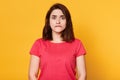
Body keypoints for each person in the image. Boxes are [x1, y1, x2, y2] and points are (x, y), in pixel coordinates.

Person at [28, 3, 86, 80]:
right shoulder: (38, 44)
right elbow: (32, 75)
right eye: (54, 17)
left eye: (62, 18)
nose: (58, 21)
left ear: (67, 21)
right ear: (48, 21)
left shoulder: (77, 44)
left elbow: (83, 75)